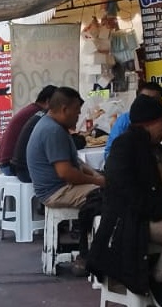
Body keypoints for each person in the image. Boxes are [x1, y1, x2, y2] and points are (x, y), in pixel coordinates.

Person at [87, 94, 162, 304]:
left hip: (148, 215)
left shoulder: (155, 148)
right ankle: (158, 280)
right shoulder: (125, 146)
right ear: (149, 123)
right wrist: (157, 211)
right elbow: (125, 192)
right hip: (130, 220)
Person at [26, 87, 107, 256]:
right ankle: (92, 252)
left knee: (108, 184)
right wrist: (96, 181)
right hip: (56, 191)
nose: (79, 115)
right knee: (109, 195)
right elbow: (66, 173)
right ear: (64, 109)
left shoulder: (54, 126)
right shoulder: (53, 131)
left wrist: (95, 174)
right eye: (77, 111)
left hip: (61, 186)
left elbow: (76, 162)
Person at [0, 85, 57, 175]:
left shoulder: (33, 109)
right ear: (48, 101)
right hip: (10, 165)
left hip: (5, 162)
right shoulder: (39, 114)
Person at [103, 80, 162, 161]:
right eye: (144, 99)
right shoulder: (124, 120)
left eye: (154, 100)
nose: (148, 103)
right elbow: (109, 153)